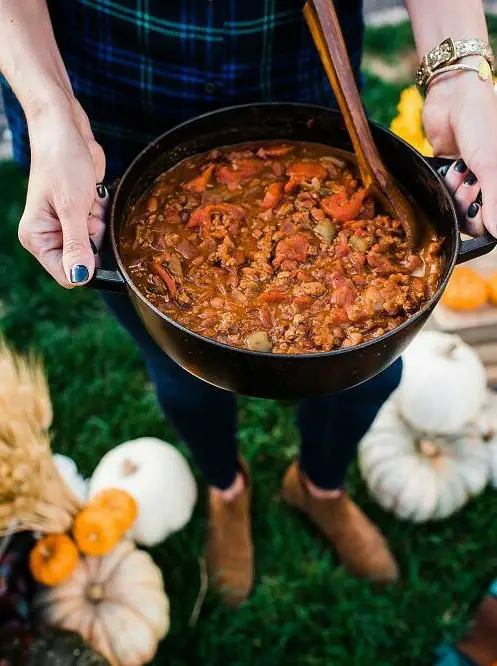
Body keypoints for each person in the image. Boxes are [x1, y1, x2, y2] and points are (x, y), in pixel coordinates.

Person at [1, 0, 496, 607]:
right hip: (103, 108)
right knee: (182, 377)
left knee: (368, 378)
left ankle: (320, 486)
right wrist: (50, 111)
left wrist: (459, 79)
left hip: (294, 69)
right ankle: (225, 489)